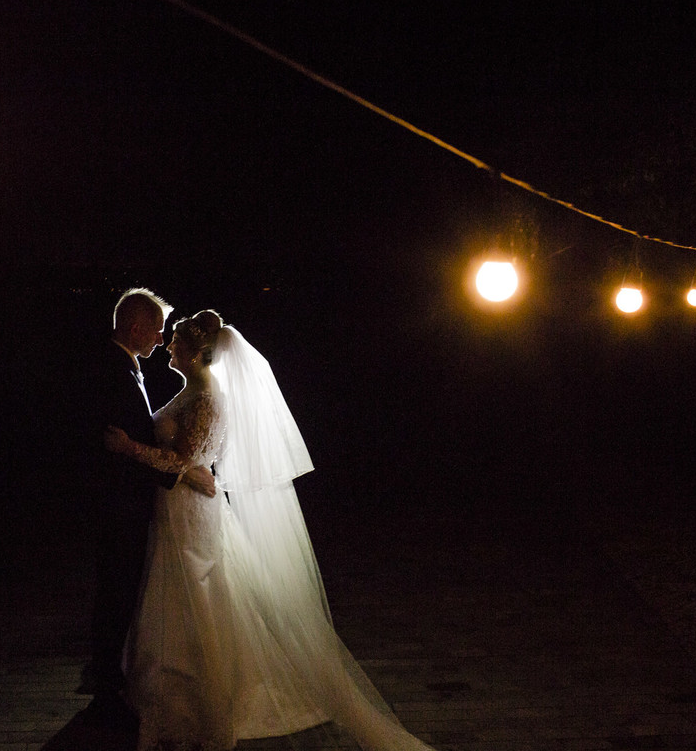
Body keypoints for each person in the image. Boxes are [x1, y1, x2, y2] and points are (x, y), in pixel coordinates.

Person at [105, 310, 434, 751]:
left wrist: (128, 448)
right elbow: (188, 462)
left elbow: (181, 461)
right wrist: (186, 471)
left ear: (195, 352)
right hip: (177, 507)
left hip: (190, 513)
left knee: (198, 597)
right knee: (178, 596)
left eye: (176, 342)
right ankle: (170, 691)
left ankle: (205, 700)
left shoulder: (207, 398)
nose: (168, 346)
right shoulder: (193, 390)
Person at [80, 289, 216, 721]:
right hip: (121, 504)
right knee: (119, 590)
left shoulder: (129, 368)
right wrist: (177, 469)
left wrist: (181, 468)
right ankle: (107, 680)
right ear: (136, 328)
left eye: (168, 336)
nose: (161, 340)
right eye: (157, 330)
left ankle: (115, 674)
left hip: (153, 502)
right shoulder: (111, 368)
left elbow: (174, 452)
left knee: (132, 590)